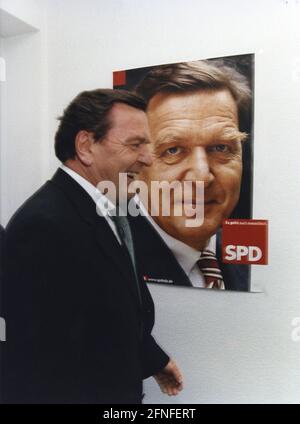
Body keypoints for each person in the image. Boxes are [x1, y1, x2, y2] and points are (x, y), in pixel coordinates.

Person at [1, 89, 183, 404]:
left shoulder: (108, 208)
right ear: (86, 146)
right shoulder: (45, 226)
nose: (148, 158)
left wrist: (154, 360)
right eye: (135, 144)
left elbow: (104, 313)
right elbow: (42, 361)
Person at [131, 60, 252, 291]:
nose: (201, 176)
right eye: (173, 150)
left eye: (221, 148)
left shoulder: (248, 255)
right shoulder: (104, 256)